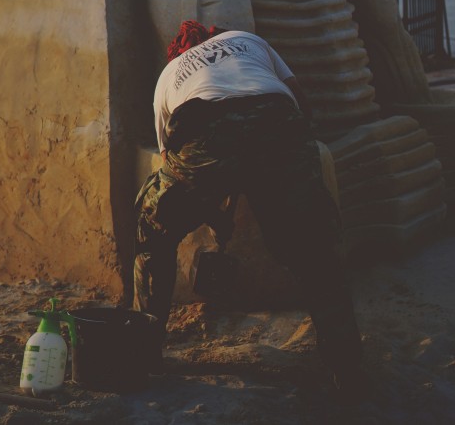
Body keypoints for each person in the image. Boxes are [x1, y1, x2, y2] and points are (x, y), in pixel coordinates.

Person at [133, 20, 364, 401]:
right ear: (214, 36)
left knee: (152, 228)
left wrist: (210, 203)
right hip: (277, 121)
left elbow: (171, 158)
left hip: (203, 131)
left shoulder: (168, 76)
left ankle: (145, 354)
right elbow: (300, 103)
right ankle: (346, 368)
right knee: (314, 248)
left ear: (178, 52)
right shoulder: (247, 40)